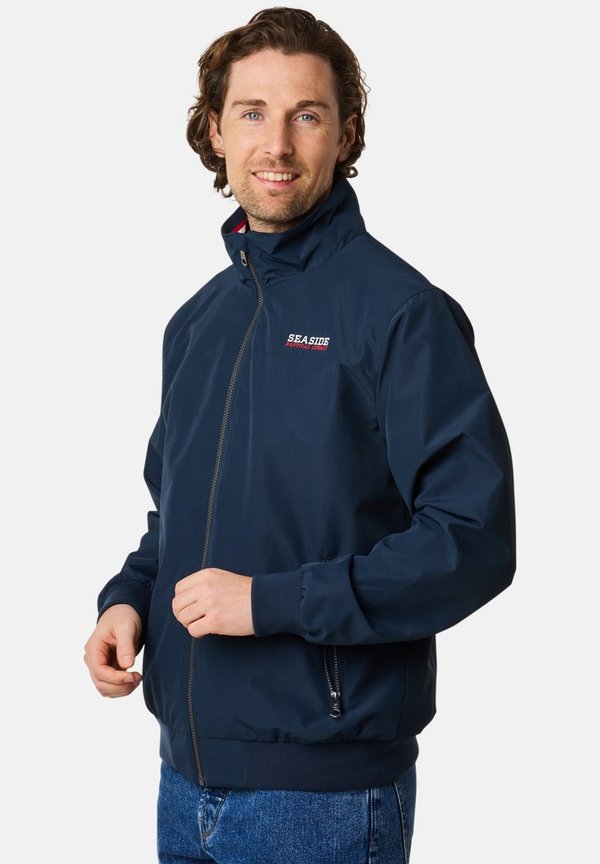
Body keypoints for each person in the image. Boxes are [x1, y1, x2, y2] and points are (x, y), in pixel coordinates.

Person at [84, 7, 516, 863]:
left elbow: (472, 541)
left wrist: (273, 603)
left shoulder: (401, 315)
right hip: (183, 779)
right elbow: (178, 515)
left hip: (325, 798)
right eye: (252, 113)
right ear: (215, 130)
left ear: (346, 134)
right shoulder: (198, 323)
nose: (276, 144)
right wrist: (127, 598)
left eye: (306, 115)